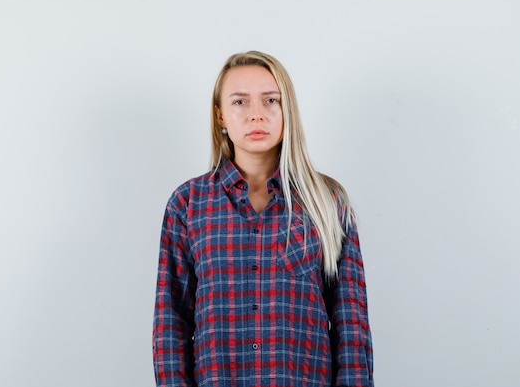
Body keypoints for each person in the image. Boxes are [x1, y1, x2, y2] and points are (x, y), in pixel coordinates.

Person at [152, 51, 373, 387]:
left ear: (288, 111)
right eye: (240, 102)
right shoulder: (188, 204)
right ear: (220, 117)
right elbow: (171, 325)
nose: (257, 115)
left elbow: (351, 325)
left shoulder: (328, 202)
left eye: (270, 100)